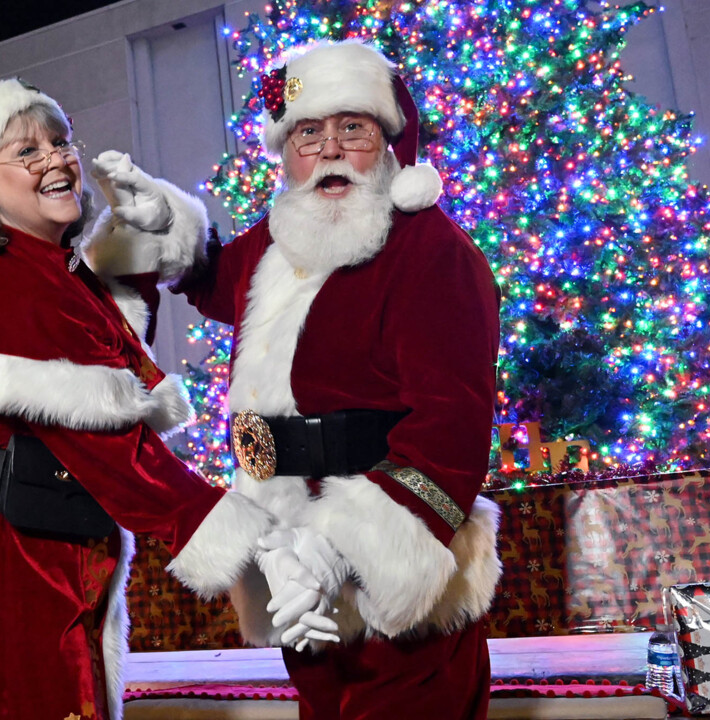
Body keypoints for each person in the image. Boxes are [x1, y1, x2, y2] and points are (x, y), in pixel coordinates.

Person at [88, 41, 502, 719]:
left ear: (389, 142)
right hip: (291, 555)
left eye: (353, 129)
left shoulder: (433, 252)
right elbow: (212, 276)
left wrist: (340, 548)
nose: (330, 150)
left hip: (390, 569)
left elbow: (451, 431)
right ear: (286, 152)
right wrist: (157, 220)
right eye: (309, 132)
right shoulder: (284, 243)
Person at [0, 79, 315, 720]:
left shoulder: (52, 270)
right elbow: (112, 446)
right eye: (27, 152)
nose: (56, 160)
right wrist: (250, 544)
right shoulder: (12, 288)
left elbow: (112, 335)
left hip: (45, 526)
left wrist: (142, 232)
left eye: (61, 142)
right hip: (17, 544)